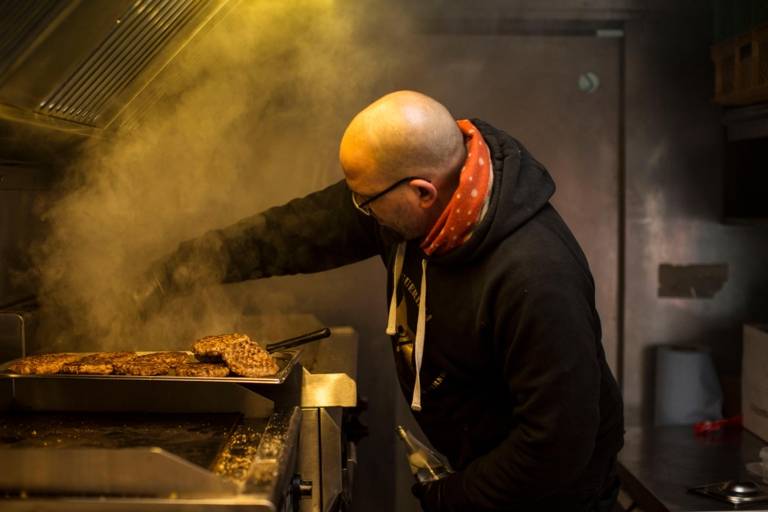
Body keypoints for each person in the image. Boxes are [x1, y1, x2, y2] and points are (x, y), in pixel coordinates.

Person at [140, 90, 624, 511]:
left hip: (550, 497)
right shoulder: (408, 192)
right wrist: (184, 268)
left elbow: (557, 445)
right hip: (480, 465)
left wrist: (458, 497)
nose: (360, 213)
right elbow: (302, 230)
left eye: (366, 202)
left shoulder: (536, 277)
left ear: (421, 192)